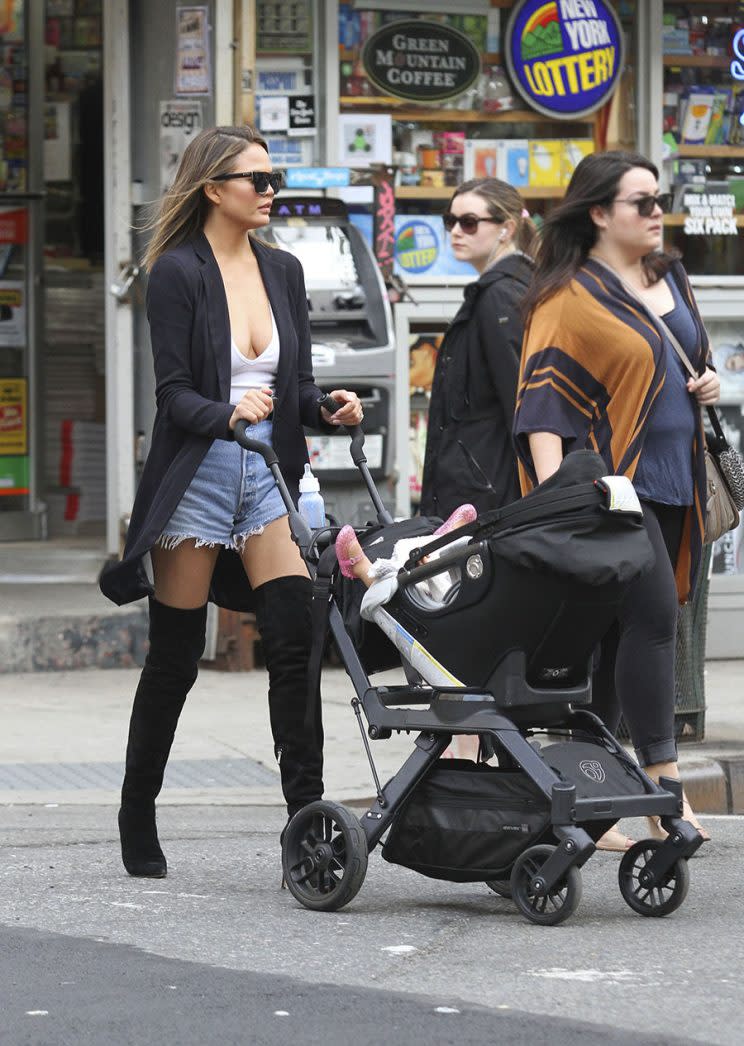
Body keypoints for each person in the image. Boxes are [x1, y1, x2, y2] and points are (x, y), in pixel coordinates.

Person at [99, 125, 363, 877]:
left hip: (267, 480)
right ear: (214, 188)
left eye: (273, 180)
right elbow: (174, 395)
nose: (271, 192)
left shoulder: (282, 270)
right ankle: (137, 809)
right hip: (198, 478)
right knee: (176, 659)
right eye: (258, 180)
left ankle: (306, 828)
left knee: (294, 642)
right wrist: (229, 415)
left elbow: (297, 389)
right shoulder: (177, 273)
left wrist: (327, 409)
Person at [513, 151, 719, 848]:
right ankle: (665, 795)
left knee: (612, 642)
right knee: (656, 621)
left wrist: (707, 382)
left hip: (677, 478)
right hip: (615, 492)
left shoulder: (671, 274)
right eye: (641, 202)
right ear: (599, 213)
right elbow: (543, 408)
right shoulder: (568, 295)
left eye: (659, 199)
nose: (657, 211)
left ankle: (588, 808)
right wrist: (555, 506)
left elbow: (688, 356)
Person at [419, 177, 537, 520]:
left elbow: (522, 403)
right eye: (450, 221)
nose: (456, 231)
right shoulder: (505, 289)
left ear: (506, 228)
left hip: (487, 494)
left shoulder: (499, 297)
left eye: (469, 222)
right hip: (484, 487)